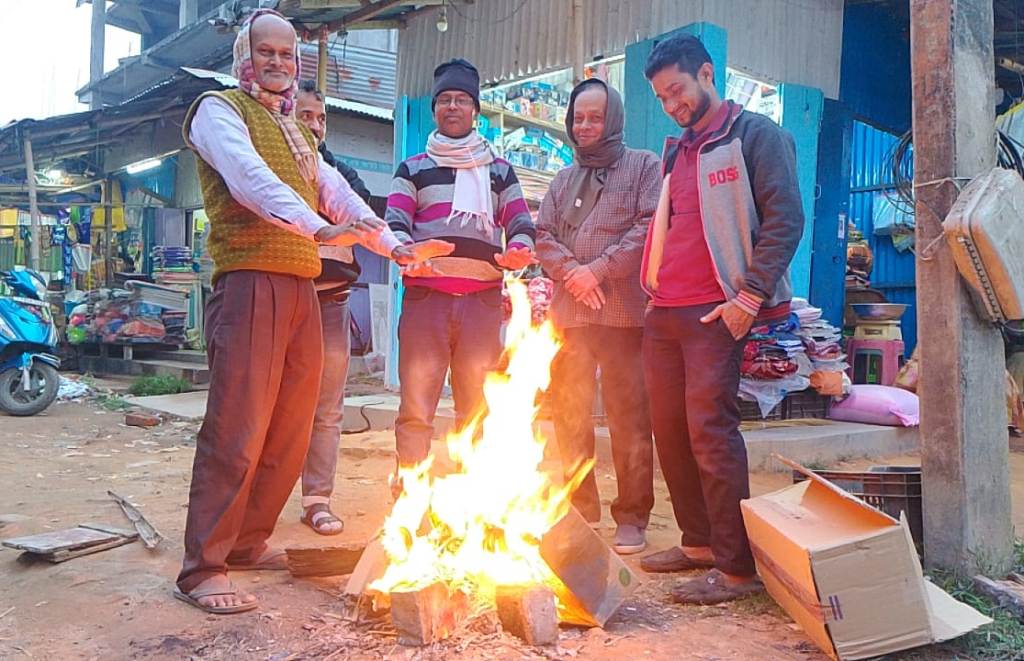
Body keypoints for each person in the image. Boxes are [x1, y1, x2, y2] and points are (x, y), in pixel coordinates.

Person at [174, 10, 447, 614]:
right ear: (244, 53)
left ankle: (248, 542)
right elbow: (252, 182)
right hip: (250, 283)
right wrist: (323, 230)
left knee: (291, 428)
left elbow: (340, 193)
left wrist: (397, 248)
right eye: (265, 51)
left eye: (286, 53)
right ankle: (203, 567)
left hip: (303, 286)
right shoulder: (218, 111)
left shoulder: (295, 129)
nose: (277, 62)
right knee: (238, 424)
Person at [638, 34, 804, 604]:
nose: (672, 105)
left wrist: (749, 298)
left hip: (716, 313)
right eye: (661, 97)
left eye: (677, 90)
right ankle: (699, 543)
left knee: (710, 432)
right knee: (670, 432)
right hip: (663, 312)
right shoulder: (677, 149)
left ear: (707, 73)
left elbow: (786, 219)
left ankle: (735, 569)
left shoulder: (755, 136)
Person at [386, 58, 536, 473]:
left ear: (476, 111)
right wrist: (406, 252)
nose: (453, 107)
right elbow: (395, 223)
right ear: (435, 109)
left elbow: (520, 222)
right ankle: (408, 490)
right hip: (426, 302)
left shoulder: (499, 172)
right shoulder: (413, 168)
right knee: (416, 406)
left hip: (481, 308)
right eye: (445, 100)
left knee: (476, 407)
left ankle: (471, 495)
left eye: (462, 100)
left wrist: (520, 248)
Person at [535, 78, 659, 555]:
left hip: (624, 314)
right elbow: (542, 232)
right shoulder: (564, 179)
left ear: (615, 120)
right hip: (571, 315)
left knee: (629, 417)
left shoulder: (644, 166)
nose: (585, 126)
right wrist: (572, 273)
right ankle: (580, 507)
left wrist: (599, 272)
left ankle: (632, 515)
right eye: (578, 117)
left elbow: (649, 226)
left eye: (595, 117)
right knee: (569, 415)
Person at [293, 81, 416, 535]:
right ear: (288, 116)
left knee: (328, 409)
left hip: (332, 303)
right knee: (276, 407)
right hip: (286, 300)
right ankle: (256, 507)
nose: (314, 125)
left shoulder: (341, 175)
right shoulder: (276, 172)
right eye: (305, 115)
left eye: (320, 117)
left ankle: (317, 500)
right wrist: (332, 230)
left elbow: (363, 220)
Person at [296, 80, 372, 202]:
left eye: (321, 119)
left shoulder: (344, 174)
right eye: (306, 117)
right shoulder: (269, 162)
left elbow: (360, 198)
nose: (316, 127)